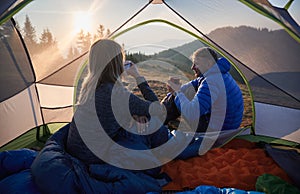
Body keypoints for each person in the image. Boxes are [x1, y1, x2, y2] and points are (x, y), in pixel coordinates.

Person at [66, 39, 168, 172]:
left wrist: (134, 115)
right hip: (94, 157)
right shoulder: (117, 93)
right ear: (117, 64)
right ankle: (173, 149)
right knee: (155, 123)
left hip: (77, 151)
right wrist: (137, 76)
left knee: (141, 121)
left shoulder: (88, 87)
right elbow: (159, 110)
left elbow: (107, 116)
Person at [166, 47, 244, 133]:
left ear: (209, 63)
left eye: (196, 63)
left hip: (218, 131)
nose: (192, 67)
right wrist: (176, 90)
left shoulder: (212, 81)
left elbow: (191, 113)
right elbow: (193, 84)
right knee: (183, 94)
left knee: (180, 98)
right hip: (226, 125)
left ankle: (157, 121)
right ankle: (159, 116)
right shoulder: (217, 72)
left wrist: (177, 92)